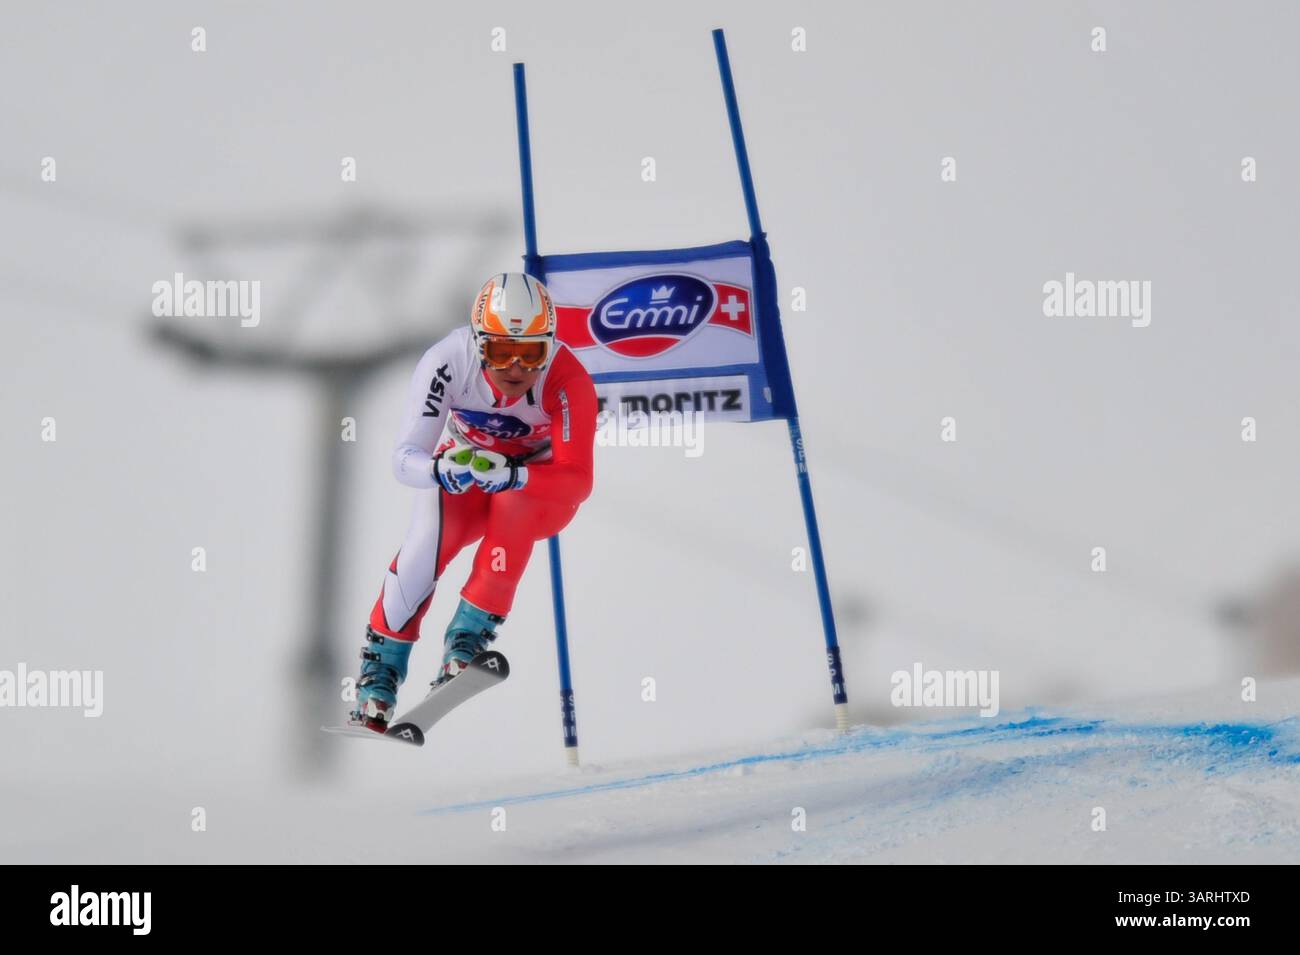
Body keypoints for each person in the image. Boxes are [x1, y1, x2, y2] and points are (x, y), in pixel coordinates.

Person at [349, 272, 597, 732]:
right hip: (466, 472)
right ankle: (378, 677)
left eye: (534, 352)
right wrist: (438, 470)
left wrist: (517, 474)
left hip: (537, 489)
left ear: (551, 348)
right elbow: (404, 459)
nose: (518, 368)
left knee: (515, 505)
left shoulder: (569, 380)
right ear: (480, 344)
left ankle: (465, 640)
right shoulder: (448, 360)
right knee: (427, 543)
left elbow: (578, 481)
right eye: (502, 351)